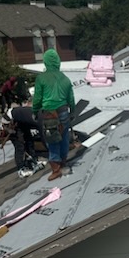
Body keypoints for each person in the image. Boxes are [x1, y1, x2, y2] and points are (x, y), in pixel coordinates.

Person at [32, 48, 76, 181]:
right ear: (58, 61)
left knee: (52, 140)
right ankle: (63, 162)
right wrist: (72, 112)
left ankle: (56, 169)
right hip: (63, 112)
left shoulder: (41, 78)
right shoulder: (65, 78)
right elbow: (71, 98)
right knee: (63, 138)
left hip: (50, 114)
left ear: (45, 62)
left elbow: (37, 98)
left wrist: (34, 111)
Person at [1, 82, 47, 178]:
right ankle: (21, 169)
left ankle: (34, 161)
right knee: (20, 145)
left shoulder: (40, 114)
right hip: (9, 122)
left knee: (29, 141)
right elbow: (44, 137)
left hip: (21, 122)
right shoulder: (40, 119)